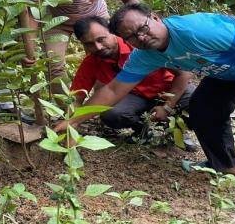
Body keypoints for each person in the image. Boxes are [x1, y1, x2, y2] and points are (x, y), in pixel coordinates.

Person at [58, 3, 235, 221]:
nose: (141, 38)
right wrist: (74, 121)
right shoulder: (145, 55)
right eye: (132, 37)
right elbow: (112, 90)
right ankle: (223, 165)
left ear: (155, 18)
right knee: (203, 109)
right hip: (228, 67)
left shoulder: (194, 29)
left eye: (143, 28)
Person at [70, 16, 195, 146]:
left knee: (197, 100)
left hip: (168, 90)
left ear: (112, 32)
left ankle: (178, 132)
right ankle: (143, 132)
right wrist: (71, 127)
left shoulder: (139, 45)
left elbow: (184, 74)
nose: (98, 47)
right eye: (89, 44)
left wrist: (168, 107)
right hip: (134, 99)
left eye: (101, 39)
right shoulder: (91, 62)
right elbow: (75, 98)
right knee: (111, 113)